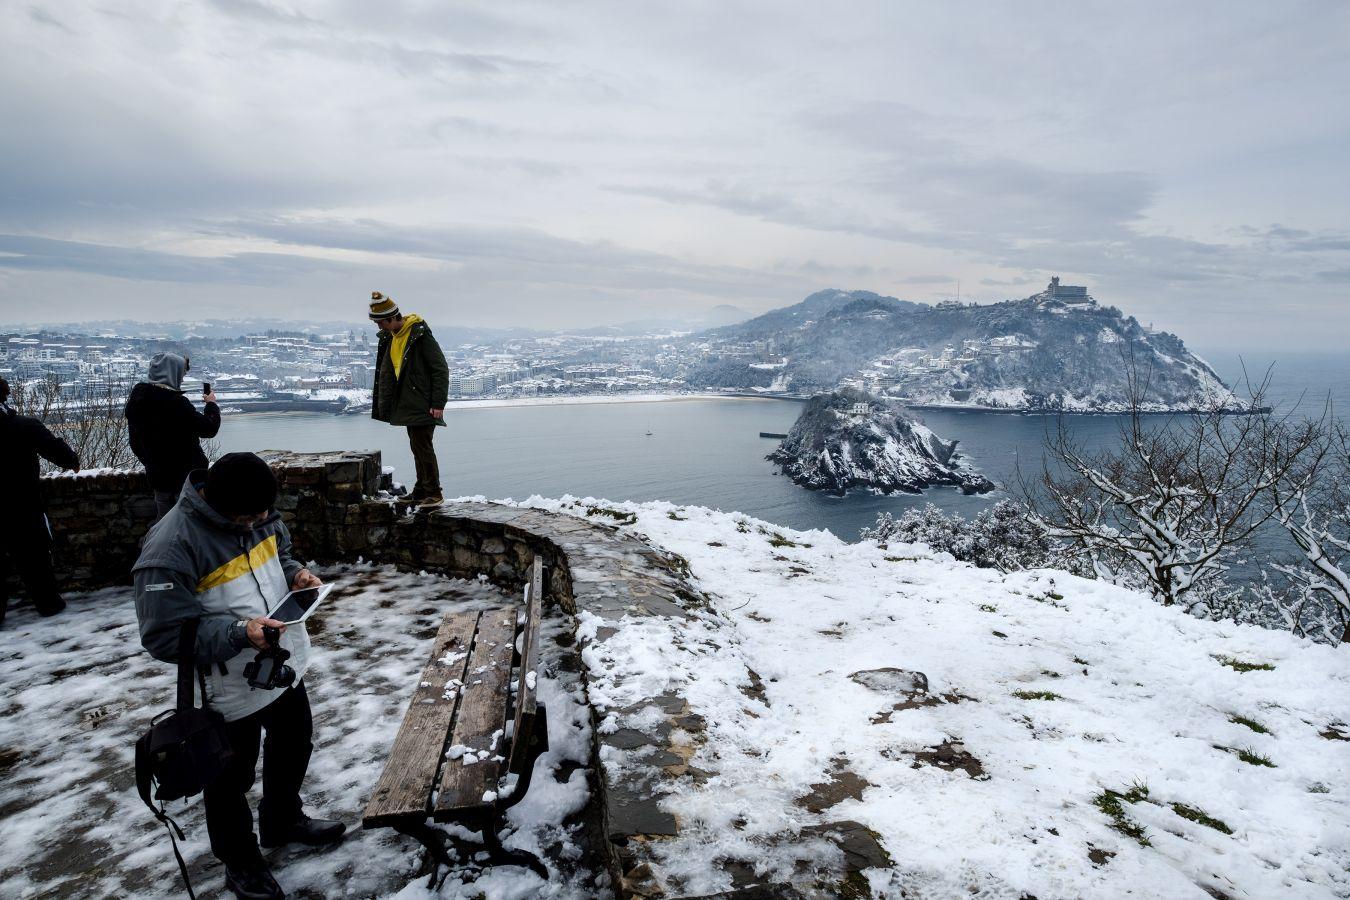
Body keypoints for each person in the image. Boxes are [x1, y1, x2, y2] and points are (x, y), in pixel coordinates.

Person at [133, 452, 343, 899]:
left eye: (265, 513)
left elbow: (278, 553)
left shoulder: (256, 509)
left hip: (281, 665)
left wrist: (295, 574)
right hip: (225, 690)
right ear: (216, 502)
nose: (261, 521)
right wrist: (237, 633)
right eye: (251, 516)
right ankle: (240, 861)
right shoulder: (170, 548)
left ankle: (282, 820)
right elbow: (163, 635)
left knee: (293, 745)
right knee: (230, 780)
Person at [0, 376, 80, 625]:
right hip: (22, 504)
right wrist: (71, 462)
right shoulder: (23, 426)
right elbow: (57, 450)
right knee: (34, 559)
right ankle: (48, 605)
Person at [368, 291, 449, 507]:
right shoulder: (393, 337)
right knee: (417, 446)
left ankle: (434, 492)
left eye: (381, 323)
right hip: (408, 402)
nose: (379, 328)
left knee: (423, 446)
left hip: (423, 402)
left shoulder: (420, 336)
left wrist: (438, 403)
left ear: (393, 318)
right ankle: (422, 490)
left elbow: (440, 369)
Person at [125, 352, 221, 520]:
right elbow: (209, 429)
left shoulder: (138, 401)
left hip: (159, 479)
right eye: (181, 374)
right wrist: (211, 404)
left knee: (164, 526)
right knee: (192, 527)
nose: (182, 379)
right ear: (172, 374)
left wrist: (152, 463)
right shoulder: (176, 404)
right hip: (187, 480)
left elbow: (135, 444)